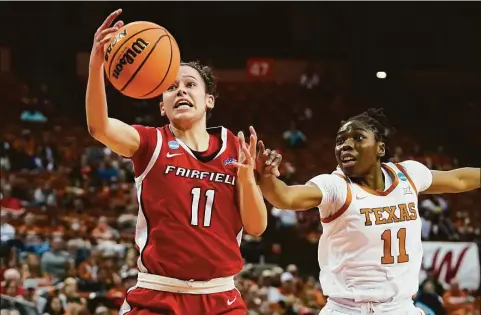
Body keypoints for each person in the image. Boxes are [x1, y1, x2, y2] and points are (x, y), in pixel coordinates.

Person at [86, 9, 267, 315]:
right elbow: (99, 127)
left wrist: (248, 178)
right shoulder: (149, 142)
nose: (180, 89)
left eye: (190, 84)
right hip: (159, 294)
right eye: (171, 87)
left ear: (209, 99)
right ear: (162, 106)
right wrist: (96, 63)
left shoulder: (236, 149)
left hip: (220, 297)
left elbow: (257, 226)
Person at [255, 108, 480, 315]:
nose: (346, 145)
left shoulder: (407, 175)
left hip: (400, 307)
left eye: (358, 138)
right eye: (340, 141)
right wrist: (266, 176)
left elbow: (458, 179)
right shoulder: (336, 186)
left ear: (380, 148)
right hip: (347, 309)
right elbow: (285, 198)